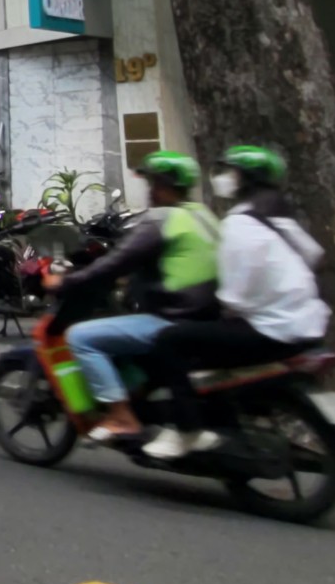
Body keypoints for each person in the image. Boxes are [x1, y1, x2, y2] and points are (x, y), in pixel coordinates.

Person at [137, 144, 331, 460]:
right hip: (309, 323)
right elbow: (314, 255)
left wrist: (224, 303)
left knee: (170, 341)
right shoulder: (277, 212)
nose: (224, 178)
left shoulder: (240, 222)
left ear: (246, 178)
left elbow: (235, 293)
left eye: (231, 172)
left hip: (271, 329)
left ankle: (187, 430)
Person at [45, 153, 218, 442]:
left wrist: (64, 282)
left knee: (80, 337)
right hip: (208, 318)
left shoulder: (161, 219)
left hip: (172, 319)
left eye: (152, 183)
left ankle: (121, 417)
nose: (149, 190)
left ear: (161, 186)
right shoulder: (203, 215)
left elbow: (114, 263)